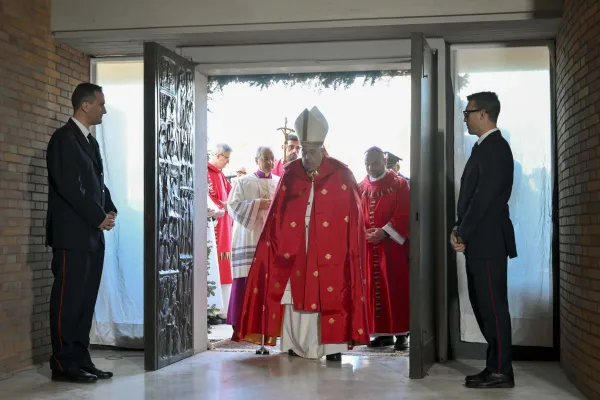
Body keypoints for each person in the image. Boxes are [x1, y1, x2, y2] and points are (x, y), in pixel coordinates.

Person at [232, 107, 370, 361]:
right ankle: (293, 343)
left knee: (330, 291)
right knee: (291, 295)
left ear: (323, 150)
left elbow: (354, 218)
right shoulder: (291, 173)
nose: (306, 156)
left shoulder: (342, 173)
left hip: (332, 250)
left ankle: (332, 347)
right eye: (303, 151)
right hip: (294, 246)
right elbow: (277, 214)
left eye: (311, 152)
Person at [46, 83, 117, 383]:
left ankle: (80, 356)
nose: (104, 109)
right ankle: (63, 362)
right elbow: (69, 186)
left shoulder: (89, 141)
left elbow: (96, 183)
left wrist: (109, 208)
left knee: (85, 301)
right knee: (68, 300)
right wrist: (97, 216)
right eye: (101, 104)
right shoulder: (63, 139)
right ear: (85, 106)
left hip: (91, 235)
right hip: (71, 236)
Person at [451, 91, 517, 389]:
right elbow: (472, 199)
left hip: (489, 241)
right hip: (480, 240)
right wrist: (460, 229)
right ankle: (495, 366)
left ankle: (501, 371)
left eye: (468, 112)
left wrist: (462, 231)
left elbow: (483, 199)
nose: (465, 117)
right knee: (482, 305)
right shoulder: (484, 147)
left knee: (492, 306)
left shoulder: (496, 148)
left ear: (483, 114)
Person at [359, 147, 410, 351]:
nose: (371, 167)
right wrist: (364, 233)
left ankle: (401, 334)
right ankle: (381, 335)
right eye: (367, 164)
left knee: (395, 288)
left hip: (392, 247)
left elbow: (404, 213)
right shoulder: (360, 186)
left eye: (375, 163)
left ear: (384, 160)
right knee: (372, 289)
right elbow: (354, 214)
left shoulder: (399, 184)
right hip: (369, 246)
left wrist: (384, 231)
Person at [226, 146, 280, 328]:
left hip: (272, 237)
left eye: (272, 159)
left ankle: (267, 324)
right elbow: (232, 206)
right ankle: (241, 322)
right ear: (256, 160)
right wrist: (257, 204)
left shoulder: (279, 182)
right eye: (266, 159)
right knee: (246, 276)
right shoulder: (243, 182)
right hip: (249, 235)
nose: (270, 163)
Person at [208, 143, 234, 319]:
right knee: (214, 265)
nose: (227, 162)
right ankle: (212, 308)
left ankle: (222, 308)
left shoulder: (221, 176)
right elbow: (208, 197)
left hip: (225, 227)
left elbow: (231, 196)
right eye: (226, 158)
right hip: (214, 226)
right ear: (218, 155)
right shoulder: (206, 173)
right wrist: (222, 206)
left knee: (225, 266)